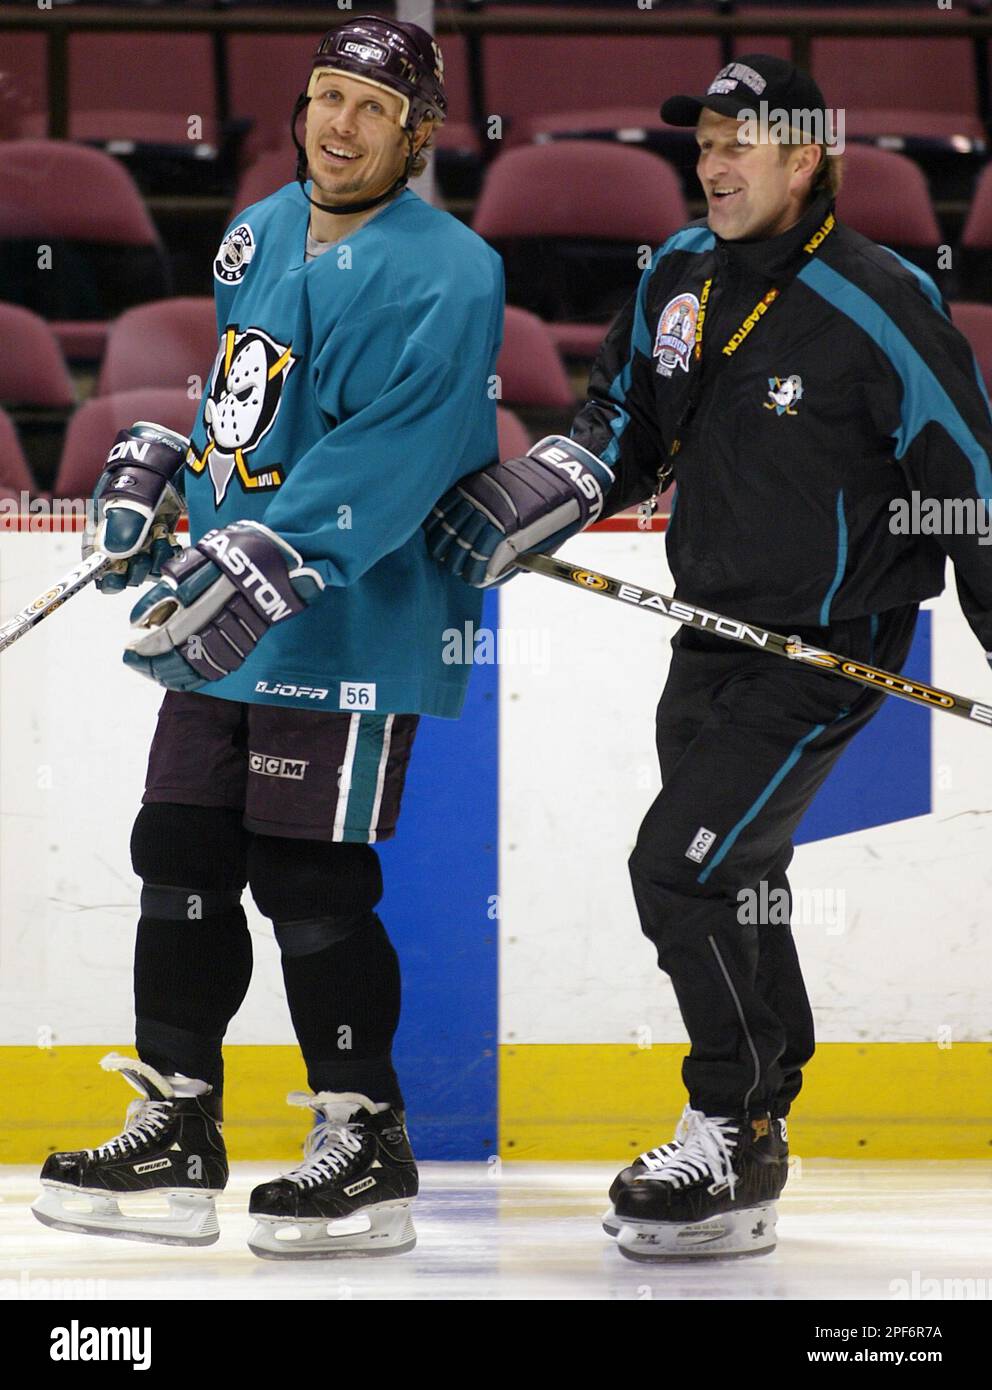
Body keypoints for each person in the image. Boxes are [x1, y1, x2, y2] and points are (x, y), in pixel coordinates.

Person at [427, 54, 992, 1260]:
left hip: (829, 648)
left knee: (675, 868)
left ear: (807, 159)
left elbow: (969, 479)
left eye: (744, 143)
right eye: (705, 143)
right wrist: (546, 491)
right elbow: (620, 420)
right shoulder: (676, 274)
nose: (716, 164)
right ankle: (762, 1114)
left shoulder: (878, 298)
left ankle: (726, 1117)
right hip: (707, 633)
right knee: (737, 873)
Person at [32, 16, 504, 1260]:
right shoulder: (257, 232)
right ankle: (180, 1123)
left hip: (349, 615)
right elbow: (242, 406)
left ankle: (366, 1139)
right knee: (176, 842)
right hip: (219, 609)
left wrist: (272, 544)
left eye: (367, 105)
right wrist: (168, 480)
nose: (336, 125)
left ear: (415, 132)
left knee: (308, 875)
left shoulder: (450, 270)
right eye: (322, 97)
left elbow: (391, 454)